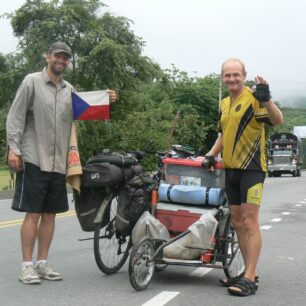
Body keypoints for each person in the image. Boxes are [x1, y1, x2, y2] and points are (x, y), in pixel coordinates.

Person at [6, 41, 117, 284]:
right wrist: (13, 148)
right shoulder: (31, 82)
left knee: (50, 215)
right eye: (57, 56)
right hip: (34, 156)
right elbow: (15, 117)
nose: (61, 61)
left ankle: (42, 263)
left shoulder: (70, 90)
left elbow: (87, 110)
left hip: (59, 161)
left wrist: (107, 99)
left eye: (66, 58)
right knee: (33, 214)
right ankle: (26, 266)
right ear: (48, 57)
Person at [203, 58, 283, 296]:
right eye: (227, 75)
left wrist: (267, 98)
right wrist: (210, 155)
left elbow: (278, 120)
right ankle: (250, 274)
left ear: (244, 75)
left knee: (249, 222)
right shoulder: (225, 103)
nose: (231, 79)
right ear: (222, 78)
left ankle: (249, 276)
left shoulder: (255, 98)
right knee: (237, 222)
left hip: (252, 169)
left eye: (236, 74)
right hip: (231, 169)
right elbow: (222, 135)